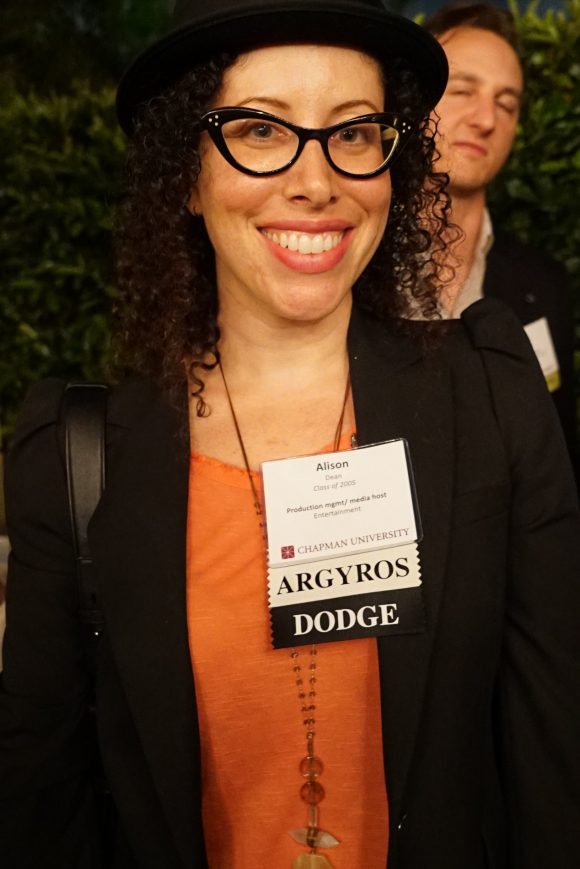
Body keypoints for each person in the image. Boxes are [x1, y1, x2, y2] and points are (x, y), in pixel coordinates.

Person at [1, 1, 579, 867]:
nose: (317, 180)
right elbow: (45, 811)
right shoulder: (79, 459)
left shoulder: (491, 398)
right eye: (262, 129)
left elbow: (554, 762)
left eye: (352, 134)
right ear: (187, 177)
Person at [423, 2, 577, 469]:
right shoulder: (346, 268)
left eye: (506, 103)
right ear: (409, 100)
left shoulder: (544, 284)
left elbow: (557, 458)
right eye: (462, 90)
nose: (485, 118)